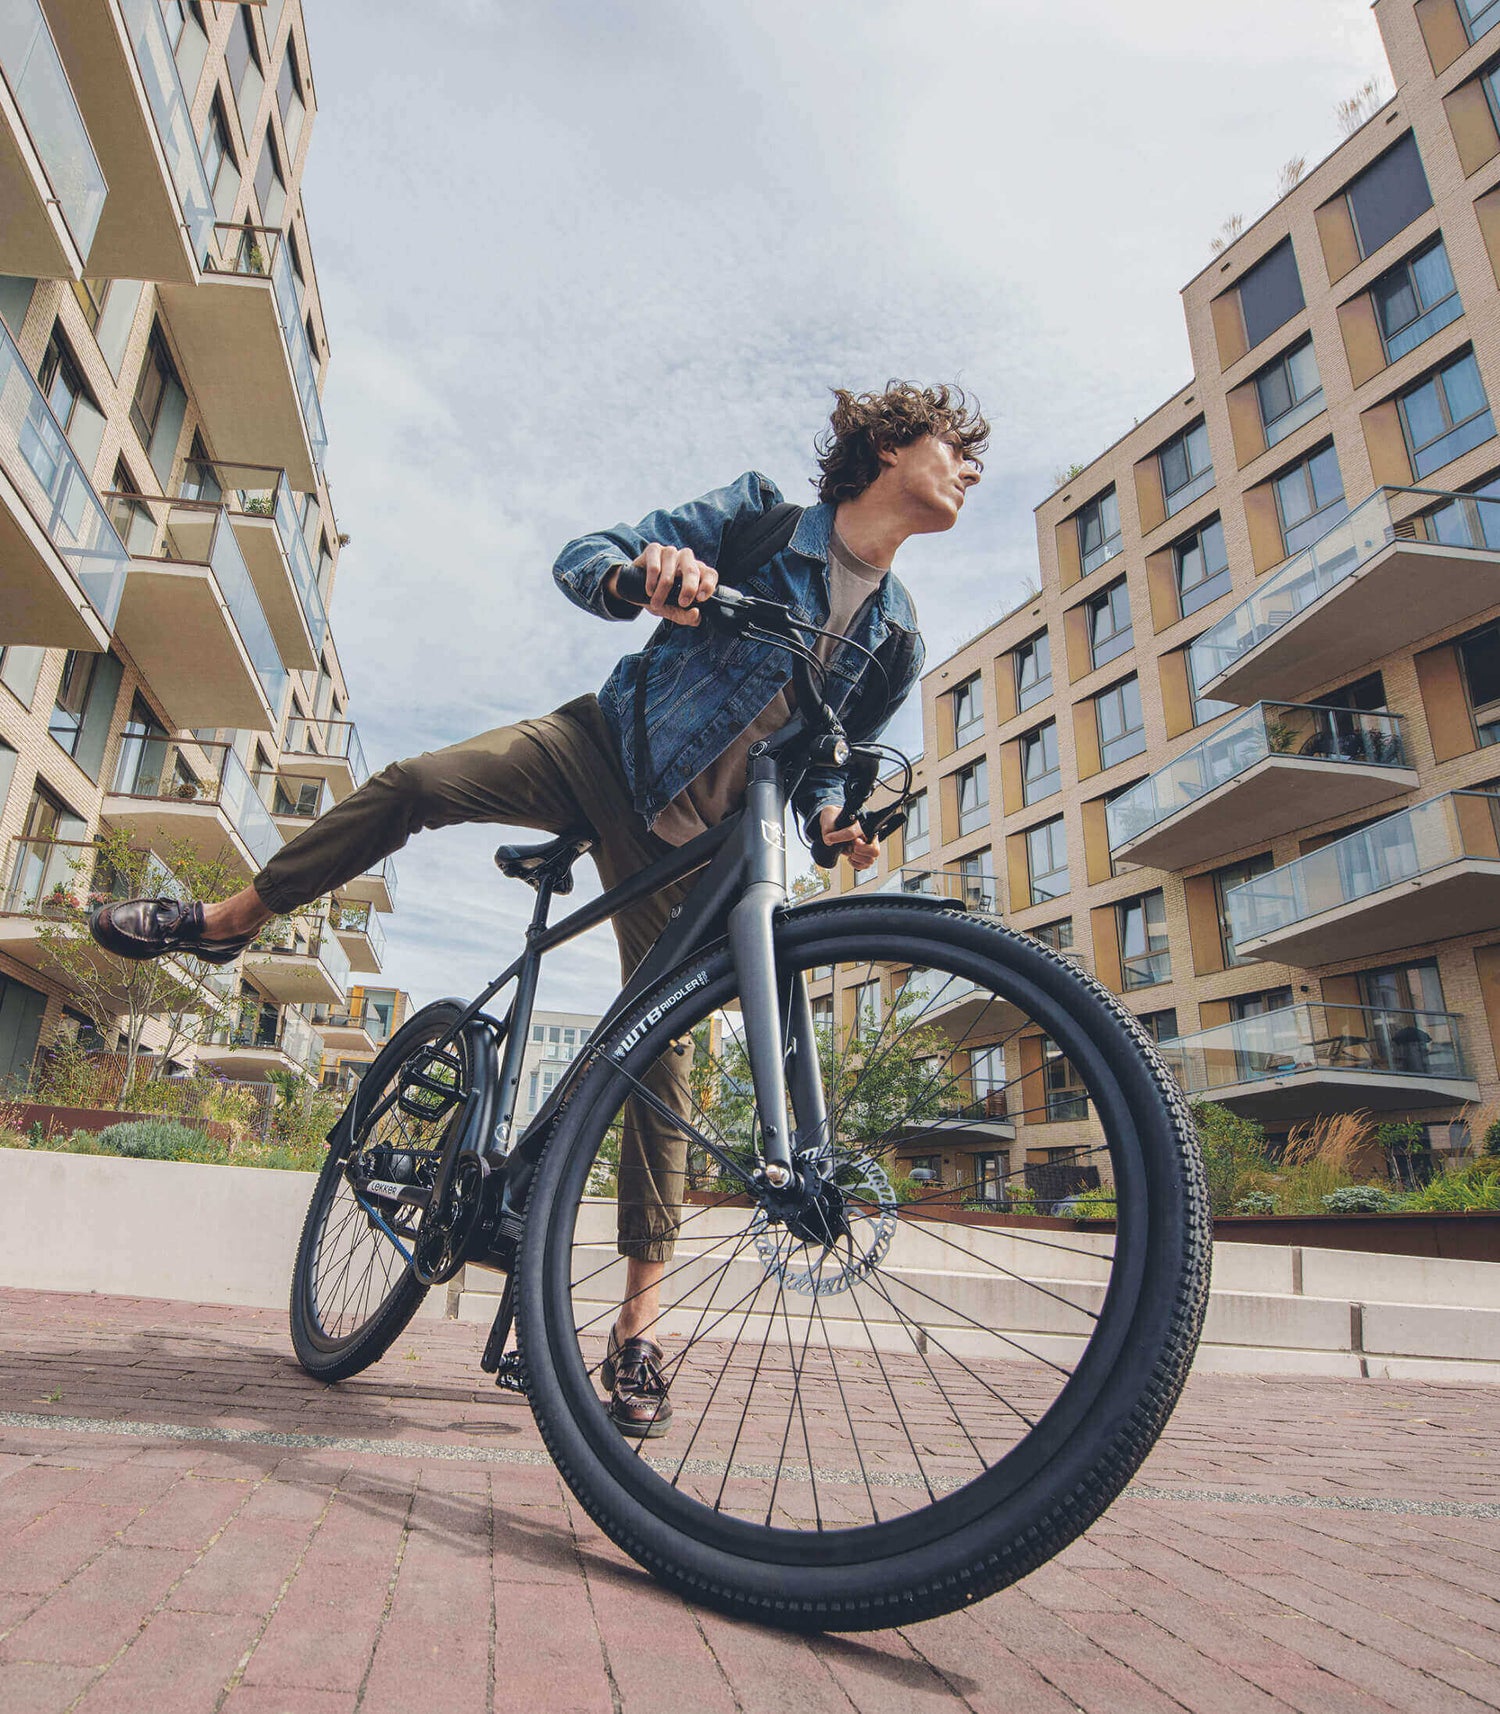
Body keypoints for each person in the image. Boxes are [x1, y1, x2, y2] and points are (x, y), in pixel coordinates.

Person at [90, 381, 987, 1435]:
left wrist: (838, 820)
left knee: (662, 1063)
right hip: (604, 753)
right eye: (953, 449)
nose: (967, 470)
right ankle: (232, 916)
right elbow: (589, 553)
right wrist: (638, 576)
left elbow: (828, 766)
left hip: (701, 849)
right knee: (422, 782)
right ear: (887, 447)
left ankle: (636, 1333)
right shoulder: (762, 522)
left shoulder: (896, 636)